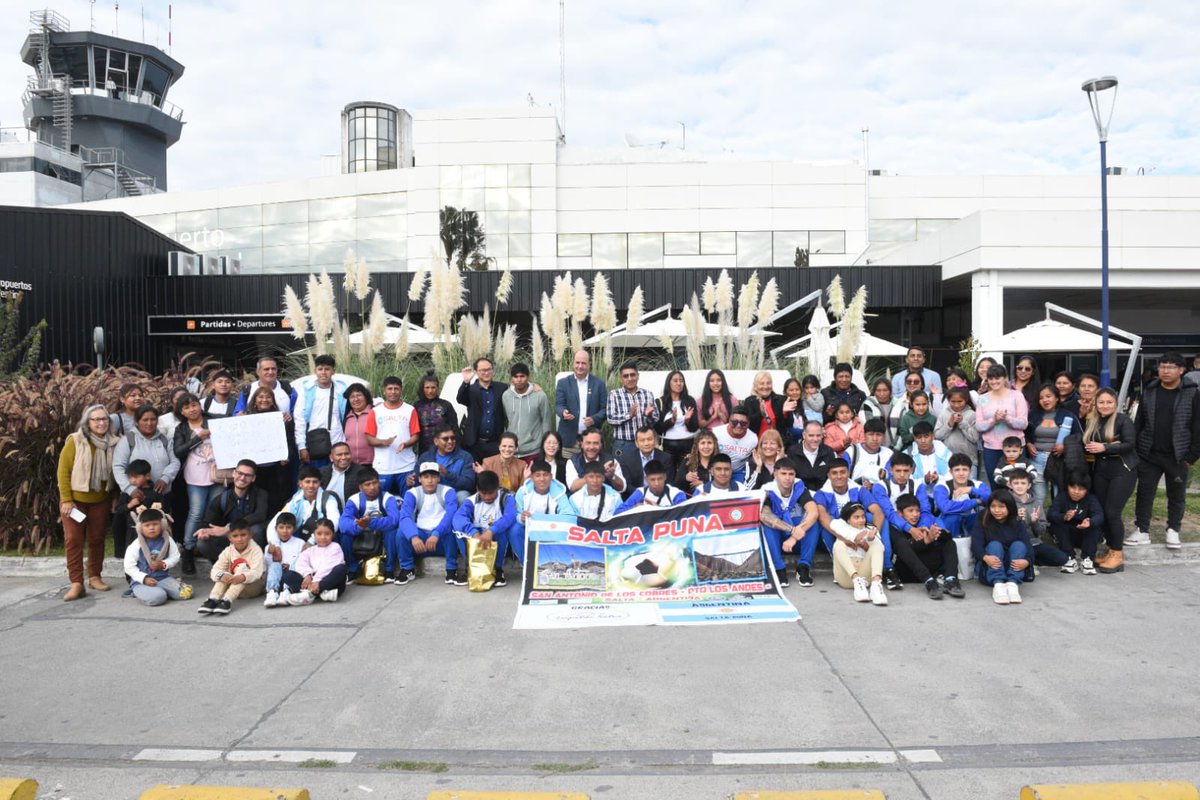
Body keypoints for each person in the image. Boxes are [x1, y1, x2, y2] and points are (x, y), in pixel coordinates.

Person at [1130, 353, 1200, 551]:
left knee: (1176, 495)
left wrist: (1191, 456)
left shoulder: (1192, 392)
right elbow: (1139, 423)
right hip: (1149, 454)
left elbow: (1197, 426)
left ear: (1181, 370)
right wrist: (1136, 448)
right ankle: (1142, 530)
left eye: (1171, 367)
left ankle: (1173, 530)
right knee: (1144, 494)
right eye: (1162, 367)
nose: (1166, 371)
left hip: (1178, 455)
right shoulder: (1150, 390)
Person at [58, 404, 119, 601]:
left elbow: (116, 473)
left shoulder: (114, 442)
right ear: (88, 422)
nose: (101, 423)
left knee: (97, 539)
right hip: (75, 501)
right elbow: (63, 472)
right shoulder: (76, 441)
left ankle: (94, 576)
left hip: (100, 500)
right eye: (96, 419)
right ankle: (76, 582)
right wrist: (66, 499)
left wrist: (114, 498)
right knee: (73, 541)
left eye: (104, 419)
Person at [1086, 388, 1139, 574]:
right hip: (1101, 471)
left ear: (1116, 403)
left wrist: (1105, 447)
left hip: (1122, 471)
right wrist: (1108, 446)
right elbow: (1091, 445)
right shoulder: (1094, 421)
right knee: (1103, 512)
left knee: (1112, 512)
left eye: (1109, 402)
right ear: (1096, 403)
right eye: (1101, 402)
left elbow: (1130, 444)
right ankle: (1110, 549)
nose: (1105, 405)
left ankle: (1117, 555)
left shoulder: (1123, 420)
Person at [814, 461, 888, 582]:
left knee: (877, 520)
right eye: (834, 473)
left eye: (843, 472)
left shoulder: (859, 490)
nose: (839, 476)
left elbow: (878, 512)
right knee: (826, 526)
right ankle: (840, 565)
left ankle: (887, 567)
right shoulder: (821, 493)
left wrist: (873, 535)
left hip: (860, 533)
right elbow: (823, 518)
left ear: (848, 473)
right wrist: (845, 538)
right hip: (837, 535)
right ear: (828, 475)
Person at [173, 392, 219, 577]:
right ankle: (189, 551)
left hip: (217, 473)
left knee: (214, 512)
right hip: (195, 475)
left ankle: (211, 547)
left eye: (194, 405)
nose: (192, 409)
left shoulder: (214, 420)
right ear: (181, 412)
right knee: (196, 512)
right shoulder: (181, 429)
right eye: (186, 407)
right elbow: (178, 451)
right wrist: (198, 438)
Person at [889, 494, 964, 600]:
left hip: (927, 567)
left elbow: (947, 536)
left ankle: (951, 580)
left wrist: (937, 533)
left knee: (949, 542)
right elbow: (905, 549)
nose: (915, 514)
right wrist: (927, 540)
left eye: (917, 511)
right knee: (904, 545)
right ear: (900, 513)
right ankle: (929, 582)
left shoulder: (924, 522)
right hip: (906, 571)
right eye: (910, 511)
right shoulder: (894, 527)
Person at [396, 461, 459, 585]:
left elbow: (450, 515)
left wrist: (436, 533)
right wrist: (413, 536)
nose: (430, 480)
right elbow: (405, 517)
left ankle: (451, 569)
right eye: (426, 477)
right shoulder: (412, 493)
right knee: (401, 532)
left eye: (433, 476)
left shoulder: (448, 491)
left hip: (440, 540)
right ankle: (407, 569)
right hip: (420, 541)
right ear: (419, 479)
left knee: (452, 529)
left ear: (439, 478)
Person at [452, 469, 519, 586]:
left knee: (502, 530)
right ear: (478, 490)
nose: (487, 497)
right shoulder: (471, 501)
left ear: (498, 488)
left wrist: (491, 531)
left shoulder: (506, 498)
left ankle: (498, 570)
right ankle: (470, 568)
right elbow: (458, 519)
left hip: (497, 537)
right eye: (484, 493)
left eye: (491, 493)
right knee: (459, 531)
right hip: (477, 535)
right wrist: (474, 533)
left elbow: (510, 516)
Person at [759, 458, 819, 588]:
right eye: (783, 474)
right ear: (775, 474)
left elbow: (813, 511)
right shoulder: (768, 490)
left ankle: (803, 567)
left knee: (812, 523)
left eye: (791, 474)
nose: (787, 478)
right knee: (768, 525)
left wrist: (793, 537)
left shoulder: (799, 487)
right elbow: (765, 516)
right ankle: (779, 569)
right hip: (777, 539)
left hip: (796, 540)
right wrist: (792, 530)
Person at [194, 460, 270, 562]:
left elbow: (259, 515)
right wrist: (204, 531)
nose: (242, 478)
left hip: (249, 538)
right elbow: (208, 521)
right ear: (234, 473)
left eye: (247, 475)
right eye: (240, 473)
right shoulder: (221, 498)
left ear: (253, 478)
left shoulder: (261, 494)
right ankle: (230, 564)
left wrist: (229, 528)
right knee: (202, 543)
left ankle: (252, 565)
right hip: (229, 539)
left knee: (257, 530)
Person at [115, 460, 170, 593]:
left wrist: (155, 509)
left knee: (152, 555)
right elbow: (119, 510)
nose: (132, 480)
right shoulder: (127, 493)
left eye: (136, 476)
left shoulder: (155, 492)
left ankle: (155, 579)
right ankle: (132, 583)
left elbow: (164, 510)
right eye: (130, 477)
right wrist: (131, 504)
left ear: (147, 476)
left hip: (153, 533)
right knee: (132, 556)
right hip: (133, 531)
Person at [338, 466, 401, 578]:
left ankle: (389, 569)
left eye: (375, 483)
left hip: (381, 533)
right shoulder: (354, 499)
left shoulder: (388, 497)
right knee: (344, 534)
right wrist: (359, 526)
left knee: (393, 531)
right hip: (362, 533)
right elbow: (343, 523)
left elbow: (394, 520)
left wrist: (370, 523)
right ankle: (352, 569)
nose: (372, 487)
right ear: (360, 487)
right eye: (367, 484)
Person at [972, 490, 1034, 605]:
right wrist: (985, 557)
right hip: (991, 566)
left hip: (1011, 565)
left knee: (1019, 545)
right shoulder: (983, 518)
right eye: (993, 506)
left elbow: (1028, 545)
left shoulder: (1016, 521)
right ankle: (998, 585)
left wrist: (1027, 561)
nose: (996, 510)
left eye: (1001, 507)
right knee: (995, 545)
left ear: (1010, 507)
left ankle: (1013, 584)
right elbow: (976, 544)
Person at [112, 405, 180, 507]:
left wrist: (165, 478)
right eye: (145, 420)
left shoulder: (165, 440)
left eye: (153, 419)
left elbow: (175, 461)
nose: (149, 423)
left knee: (163, 522)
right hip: (137, 497)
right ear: (137, 421)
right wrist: (129, 489)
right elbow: (118, 467)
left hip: (162, 495)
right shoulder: (128, 440)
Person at [364, 375, 421, 496]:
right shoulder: (375, 411)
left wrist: (405, 443)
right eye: (390, 389)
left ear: (401, 390)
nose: (393, 392)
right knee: (381, 502)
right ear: (384, 391)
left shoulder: (410, 410)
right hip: (383, 467)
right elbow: (369, 439)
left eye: (396, 388)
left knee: (409, 501)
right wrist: (384, 442)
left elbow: (415, 435)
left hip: (406, 466)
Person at [1026, 383, 1084, 499]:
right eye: (1041, 398)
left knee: (1059, 494)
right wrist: (1028, 443)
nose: (1045, 400)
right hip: (1036, 458)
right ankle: (1038, 517)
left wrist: (1065, 446)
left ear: (1057, 398)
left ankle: (1057, 517)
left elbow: (1080, 436)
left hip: (1058, 460)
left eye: (1048, 396)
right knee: (1038, 495)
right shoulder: (1032, 416)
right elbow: (1023, 434)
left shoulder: (1068, 415)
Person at [511, 460, 576, 563]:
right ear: (531, 478)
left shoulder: (559, 493)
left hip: (552, 531)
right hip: (529, 530)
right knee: (515, 530)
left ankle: (557, 561)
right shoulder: (523, 491)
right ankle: (526, 564)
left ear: (551, 476)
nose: (542, 479)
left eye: (545, 475)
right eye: (537, 475)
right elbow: (516, 514)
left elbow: (568, 515)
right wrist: (521, 517)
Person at [197, 519, 266, 615]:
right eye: (235, 536)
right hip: (234, 586)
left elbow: (257, 572)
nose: (239, 539)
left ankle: (226, 601)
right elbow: (215, 570)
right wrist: (222, 576)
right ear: (229, 538)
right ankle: (213, 599)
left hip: (253, 587)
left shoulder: (256, 550)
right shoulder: (228, 551)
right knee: (222, 574)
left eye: (243, 535)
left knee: (242, 568)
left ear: (250, 535)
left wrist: (242, 577)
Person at [977, 364, 1029, 485]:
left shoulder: (1017, 395)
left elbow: (1023, 424)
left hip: (1015, 447)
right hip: (991, 448)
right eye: (991, 379)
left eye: (997, 378)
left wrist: (1007, 418)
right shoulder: (983, 398)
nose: (994, 381)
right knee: (995, 482)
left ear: (1005, 378)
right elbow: (979, 426)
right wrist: (993, 420)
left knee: (1017, 483)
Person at [294, 354, 349, 469]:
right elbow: (299, 419)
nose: (323, 372)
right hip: (315, 444)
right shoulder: (306, 391)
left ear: (333, 371)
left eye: (327, 369)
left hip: (337, 443)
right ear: (315, 371)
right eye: (320, 369)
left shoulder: (341, 390)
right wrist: (302, 447)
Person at [828, 503, 889, 606]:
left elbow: (880, 551)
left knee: (877, 545)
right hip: (846, 576)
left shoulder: (870, 529)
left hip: (865, 577)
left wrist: (868, 543)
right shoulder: (840, 524)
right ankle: (856, 580)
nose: (861, 520)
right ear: (848, 519)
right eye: (856, 517)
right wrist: (856, 538)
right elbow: (833, 525)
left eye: (863, 516)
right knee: (839, 544)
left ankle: (876, 586)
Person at [123, 508, 186, 607]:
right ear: (140, 527)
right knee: (158, 598)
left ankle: (161, 590)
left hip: (163, 578)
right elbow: (129, 566)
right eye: (147, 525)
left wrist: (164, 564)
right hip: (141, 582)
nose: (151, 528)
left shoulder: (167, 540)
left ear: (163, 524)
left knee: (186, 593)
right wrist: (144, 578)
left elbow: (175, 556)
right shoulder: (136, 544)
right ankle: (137, 591)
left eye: (155, 524)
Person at [243, 386, 293, 511]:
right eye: (260, 397)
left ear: (273, 400)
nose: (264, 400)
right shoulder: (245, 419)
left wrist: (287, 455)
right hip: (255, 469)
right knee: (255, 503)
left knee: (276, 502)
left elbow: (290, 442)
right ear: (254, 400)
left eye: (268, 396)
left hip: (276, 469)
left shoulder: (282, 418)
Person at [1007, 467, 1067, 568]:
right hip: (1014, 544)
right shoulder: (1006, 501)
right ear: (1010, 485)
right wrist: (1016, 519)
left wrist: (1034, 522)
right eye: (1016, 483)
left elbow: (1040, 532)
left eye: (1023, 483)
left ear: (1029, 485)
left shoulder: (1036, 502)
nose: (1019, 486)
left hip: (1033, 543)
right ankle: (1025, 562)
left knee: (1062, 558)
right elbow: (1003, 527)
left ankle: (1030, 561)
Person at [269, 466, 343, 544]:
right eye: (307, 482)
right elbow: (274, 522)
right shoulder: (295, 500)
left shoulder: (328, 499)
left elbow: (334, 523)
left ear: (320, 483)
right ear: (300, 484)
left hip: (323, 541)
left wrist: (311, 541)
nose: (311, 485)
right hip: (300, 539)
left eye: (315, 482)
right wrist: (275, 545)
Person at [555, 349, 608, 457]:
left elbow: (605, 409)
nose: (580, 366)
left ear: (589, 365)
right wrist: (563, 412)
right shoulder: (563, 383)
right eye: (577, 362)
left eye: (583, 363)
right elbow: (559, 405)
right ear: (573, 363)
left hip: (591, 442)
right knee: (566, 472)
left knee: (590, 472)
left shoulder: (599, 384)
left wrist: (594, 419)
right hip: (568, 441)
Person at [283, 518, 348, 605]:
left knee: (341, 569)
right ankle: (319, 593)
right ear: (313, 535)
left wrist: (317, 581)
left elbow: (329, 566)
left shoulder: (335, 547)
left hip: (327, 581)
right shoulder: (310, 550)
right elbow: (301, 563)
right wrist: (307, 575)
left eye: (327, 534)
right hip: (312, 581)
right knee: (287, 575)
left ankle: (310, 594)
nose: (323, 537)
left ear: (333, 535)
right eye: (319, 534)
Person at [1050, 472, 1105, 575]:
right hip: (1066, 535)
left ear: (1086, 490)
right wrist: (1064, 516)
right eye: (1073, 487)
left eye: (1081, 489)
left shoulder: (1091, 499)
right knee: (1057, 524)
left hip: (1084, 535)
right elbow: (1051, 513)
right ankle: (1069, 557)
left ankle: (1087, 559)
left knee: (1095, 527)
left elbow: (1099, 515)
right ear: (1068, 486)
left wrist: (1090, 522)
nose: (1076, 492)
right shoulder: (1062, 497)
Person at [457, 357, 508, 461]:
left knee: (495, 474)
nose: (486, 373)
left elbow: (518, 388)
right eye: (482, 370)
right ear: (476, 372)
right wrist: (466, 381)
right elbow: (460, 399)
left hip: (495, 443)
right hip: (474, 443)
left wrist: (533, 386)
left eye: (489, 369)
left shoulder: (502, 388)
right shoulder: (470, 390)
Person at [932, 453, 992, 538]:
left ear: (970, 471)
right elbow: (945, 508)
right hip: (948, 524)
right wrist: (976, 501)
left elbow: (992, 499)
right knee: (953, 517)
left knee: (984, 515)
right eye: (957, 470)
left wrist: (971, 490)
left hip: (971, 522)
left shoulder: (977, 485)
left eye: (965, 469)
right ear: (951, 472)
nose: (961, 473)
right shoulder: (942, 486)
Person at [606, 361, 658, 457]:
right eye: (626, 376)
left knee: (644, 471)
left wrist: (648, 415)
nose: (630, 379)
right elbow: (610, 419)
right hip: (623, 444)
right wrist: (629, 415)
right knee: (620, 471)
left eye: (632, 375)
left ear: (638, 376)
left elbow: (655, 419)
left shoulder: (647, 394)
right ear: (621, 379)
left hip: (644, 443)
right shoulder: (614, 394)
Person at [413, 424, 477, 502]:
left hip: (455, 493)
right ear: (436, 441)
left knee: (463, 496)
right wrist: (411, 481)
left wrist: (447, 474)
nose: (450, 441)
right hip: (432, 494)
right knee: (412, 495)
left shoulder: (465, 456)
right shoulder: (425, 457)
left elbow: (469, 483)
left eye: (453, 438)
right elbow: (417, 481)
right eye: (445, 439)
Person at [502, 362, 551, 461]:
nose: (519, 380)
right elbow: (505, 420)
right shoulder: (506, 395)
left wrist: (545, 446)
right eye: (515, 376)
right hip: (512, 451)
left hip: (534, 450)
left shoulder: (540, 395)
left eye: (522, 376)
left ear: (528, 377)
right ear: (511, 378)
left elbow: (546, 421)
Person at [262, 512, 308, 607]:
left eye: (288, 527)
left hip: (292, 578)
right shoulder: (271, 547)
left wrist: (289, 566)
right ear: (276, 529)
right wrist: (271, 554)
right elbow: (268, 567)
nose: (284, 531)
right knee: (275, 565)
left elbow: (303, 563)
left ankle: (286, 592)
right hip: (276, 579)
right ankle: (272, 593)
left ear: (294, 529)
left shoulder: (300, 543)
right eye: (281, 527)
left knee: (298, 560)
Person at [655, 370, 698, 464]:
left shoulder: (690, 400)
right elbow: (658, 429)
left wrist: (687, 421)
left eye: (681, 380)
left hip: (687, 445)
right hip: (668, 446)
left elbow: (695, 427)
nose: (679, 383)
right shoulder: (660, 402)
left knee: (685, 475)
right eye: (675, 380)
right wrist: (671, 421)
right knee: (668, 475)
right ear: (668, 383)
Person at [617, 426, 673, 499]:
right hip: (636, 497)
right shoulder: (626, 459)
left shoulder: (666, 458)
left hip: (660, 497)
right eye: (642, 440)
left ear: (655, 440)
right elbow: (627, 485)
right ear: (636, 443)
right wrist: (643, 495)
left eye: (649, 439)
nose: (646, 443)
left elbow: (669, 482)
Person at [565, 428, 626, 494]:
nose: (591, 447)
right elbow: (572, 487)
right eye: (588, 443)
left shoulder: (611, 461)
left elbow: (622, 488)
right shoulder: (573, 461)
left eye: (596, 443)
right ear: (582, 444)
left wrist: (612, 476)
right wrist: (599, 472)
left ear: (601, 445)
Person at [935, 387, 980, 476]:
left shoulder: (972, 415)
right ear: (948, 400)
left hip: (969, 459)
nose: (956, 405)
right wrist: (949, 424)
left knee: (969, 486)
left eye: (959, 401)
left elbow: (975, 438)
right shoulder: (943, 414)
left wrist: (962, 422)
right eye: (953, 401)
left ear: (966, 400)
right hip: (947, 459)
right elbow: (937, 436)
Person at [787, 420, 841, 493]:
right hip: (800, 495)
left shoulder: (828, 452)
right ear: (804, 435)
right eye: (811, 435)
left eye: (818, 435)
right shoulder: (792, 452)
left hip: (824, 494)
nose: (815, 439)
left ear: (822, 435)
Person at [616, 459, 687, 513]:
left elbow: (684, 513)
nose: (657, 483)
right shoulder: (641, 492)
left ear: (665, 477)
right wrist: (634, 508)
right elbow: (617, 512)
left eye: (660, 479)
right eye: (652, 480)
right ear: (646, 479)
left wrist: (658, 509)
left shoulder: (676, 493)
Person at [413, 373, 458, 455]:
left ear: (438, 388)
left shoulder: (446, 405)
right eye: (427, 387)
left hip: (445, 448)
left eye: (433, 387)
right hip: (425, 449)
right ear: (422, 388)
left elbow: (454, 428)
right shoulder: (417, 406)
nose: (430, 391)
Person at [993, 436, 1042, 509]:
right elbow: (996, 476)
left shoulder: (1024, 462)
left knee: (1026, 507)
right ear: (1003, 450)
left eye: (1014, 451)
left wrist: (1026, 480)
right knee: (1010, 508)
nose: (1011, 454)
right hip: (1008, 492)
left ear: (1021, 451)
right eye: (1008, 451)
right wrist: (1006, 482)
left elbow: (1034, 472)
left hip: (1024, 492)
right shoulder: (1001, 463)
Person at [713, 406, 758, 484]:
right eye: (734, 422)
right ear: (729, 421)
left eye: (743, 423)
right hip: (718, 471)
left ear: (748, 424)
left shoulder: (753, 439)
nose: (738, 425)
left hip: (738, 472)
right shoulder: (716, 433)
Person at [845, 418, 893, 486]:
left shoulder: (888, 454)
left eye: (879, 435)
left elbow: (890, 479)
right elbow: (843, 476)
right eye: (871, 434)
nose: (875, 439)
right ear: (864, 435)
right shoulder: (852, 451)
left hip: (878, 493)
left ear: (884, 437)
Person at [320, 442, 368, 507]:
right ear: (331, 457)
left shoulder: (361, 472)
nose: (343, 457)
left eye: (346, 454)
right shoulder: (322, 473)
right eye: (339, 455)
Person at [341, 382, 377, 466]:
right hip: (351, 464)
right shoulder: (347, 417)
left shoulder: (375, 413)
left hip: (373, 463)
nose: (356, 399)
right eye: (352, 397)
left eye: (359, 395)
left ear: (366, 397)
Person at [745, 371, 788, 440]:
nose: (765, 386)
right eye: (762, 383)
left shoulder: (781, 400)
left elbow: (788, 424)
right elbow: (749, 425)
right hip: (757, 443)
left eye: (768, 383)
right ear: (756, 386)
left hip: (777, 443)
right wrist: (760, 414)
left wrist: (785, 413)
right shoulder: (750, 401)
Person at [859, 378, 899, 448]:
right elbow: (868, 427)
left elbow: (902, 429)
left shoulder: (899, 405)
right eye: (878, 390)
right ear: (874, 392)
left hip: (896, 448)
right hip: (873, 447)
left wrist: (896, 447)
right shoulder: (867, 405)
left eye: (885, 390)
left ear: (890, 391)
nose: (882, 394)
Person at [675, 430, 718, 495]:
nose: (706, 446)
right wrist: (685, 477)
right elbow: (676, 484)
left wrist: (704, 484)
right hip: (692, 500)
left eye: (709, 443)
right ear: (697, 446)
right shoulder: (688, 460)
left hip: (713, 499)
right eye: (702, 443)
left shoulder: (719, 462)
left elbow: (725, 485)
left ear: (714, 445)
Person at [780, 378, 809, 445]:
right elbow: (786, 427)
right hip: (788, 445)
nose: (795, 392)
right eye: (791, 390)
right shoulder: (781, 405)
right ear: (785, 392)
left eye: (797, 389)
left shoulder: (802, 405)